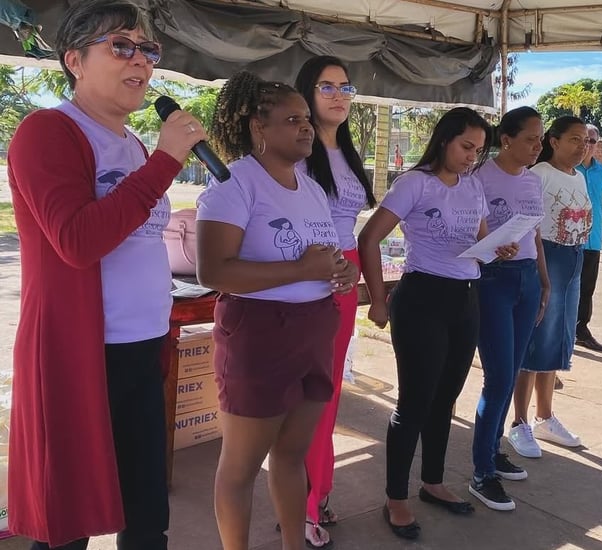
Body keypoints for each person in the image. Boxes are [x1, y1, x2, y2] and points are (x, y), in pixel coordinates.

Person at [7, 1, 203, 548]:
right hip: (81, 355)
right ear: (74, 60)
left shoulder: (133, 144)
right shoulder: (48, 132)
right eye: (120, 45)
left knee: (146, 516)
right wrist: (165, 164)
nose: (140, 59)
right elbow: (77, 242)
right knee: (67, 520)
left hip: (141, 352)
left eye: (148, 49)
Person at [195, 71, 358, 550]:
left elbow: (323, 257)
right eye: (292, 120)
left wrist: (341, 274)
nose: (306, 128)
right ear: (257, 128)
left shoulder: (308, 188)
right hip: (259, 335)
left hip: (313, 330)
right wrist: (301, 269)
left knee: (291, 455)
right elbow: (214, 272)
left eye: (306, 118)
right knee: (241, 466)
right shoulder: (233, 184)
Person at [358, 107, 517, 540]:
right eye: (466, 147)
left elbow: (479, 241)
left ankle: (432, 482)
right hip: (422, 298)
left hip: (466, 299)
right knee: (414, 404)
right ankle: (395, 497)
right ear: (444, 139)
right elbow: (369, 237)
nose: (471, 157)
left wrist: (497, 248)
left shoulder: (473, 186)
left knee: (445, 399)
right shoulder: (415, 183)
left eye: (479, 151)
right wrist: (377, 300)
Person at [294, 55, 377, 547]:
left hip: (344, 277)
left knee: (326, 396)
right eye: (326, 87)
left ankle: (318, 491)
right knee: (306, 396)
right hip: (307, 275)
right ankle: (302, 502)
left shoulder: (346, 151)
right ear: (306, 92)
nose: (338, 95)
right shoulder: (295, 149)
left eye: (345, 87)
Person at [469, 106, 551, 511]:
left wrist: (545, 281)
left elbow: (533, 236)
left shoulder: (533, 181)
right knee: (498, 378)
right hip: (492, 282)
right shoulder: (479, 178)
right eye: (531, 139)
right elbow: (468, 231)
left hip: (527, 282)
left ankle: (494, 449)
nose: (538, 146)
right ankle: (481, 472)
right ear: (506, 139)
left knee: (513, 371)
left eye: (540, 139)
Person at [507, 116, 591, 459]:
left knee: (556, 338)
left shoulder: (581, 177)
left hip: (574, 258)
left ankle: (545, 415)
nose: (581, 147)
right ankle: (519, 422)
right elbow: (532, 229)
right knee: (534, 338)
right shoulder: (537, 175)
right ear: (553, 142)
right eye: (574, 139)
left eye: (585, 141)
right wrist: (541, 275)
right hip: (547, 257)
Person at [575, 124, 602, 352]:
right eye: (584, 140)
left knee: (587, 288)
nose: (588, 145)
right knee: (566, 288)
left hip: (592, 239)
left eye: (592, 141)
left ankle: (581, 330)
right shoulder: (568, 169)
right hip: (568, 239)